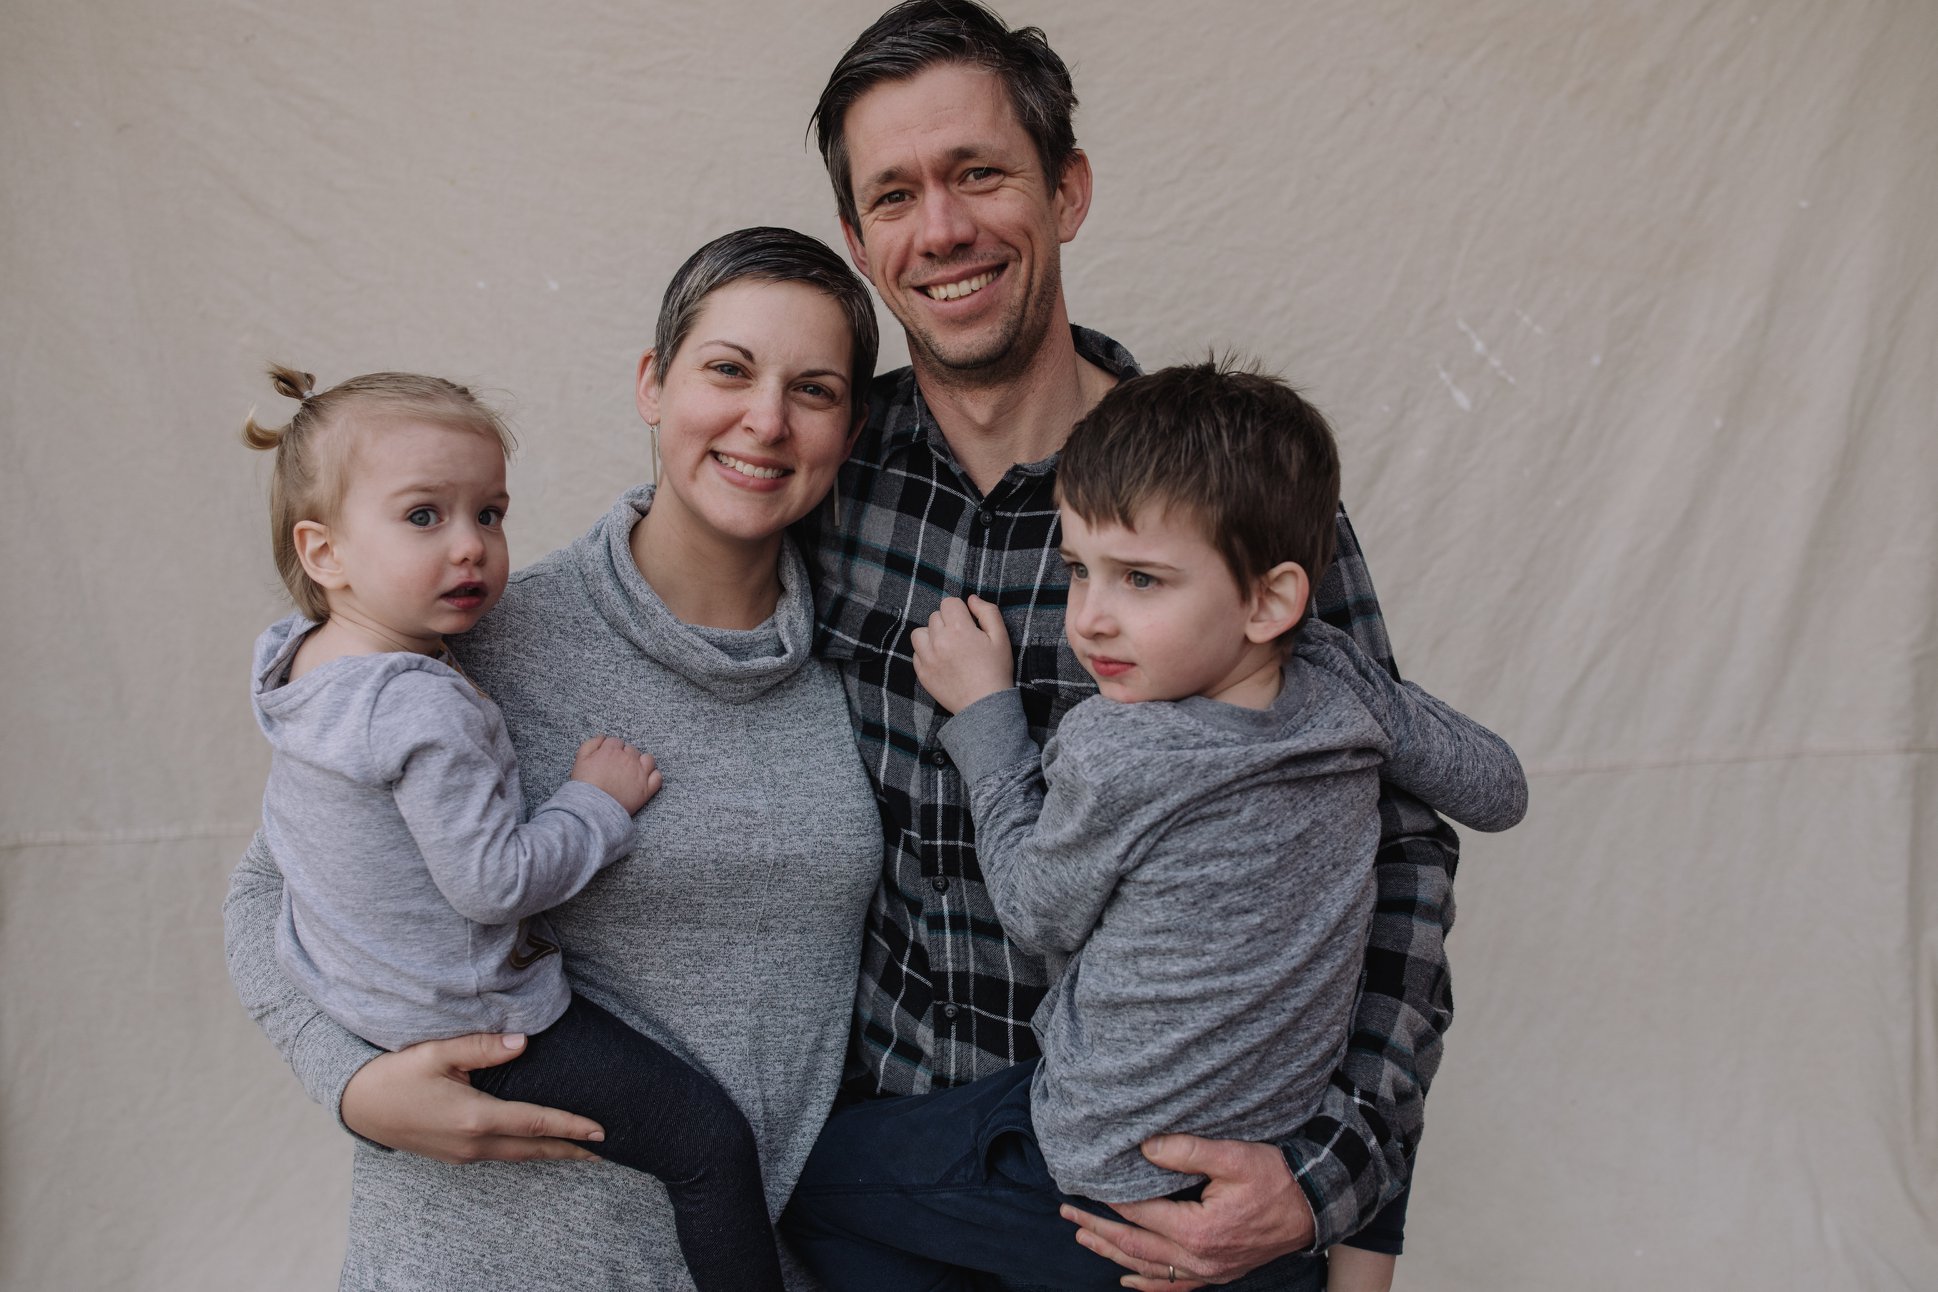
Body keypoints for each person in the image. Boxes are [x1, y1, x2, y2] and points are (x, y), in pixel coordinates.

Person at [802, 2, 1462, 1286]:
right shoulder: (822, 477)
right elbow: (633, 639)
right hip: (894, 1173)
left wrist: (1341, 1196)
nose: (940, 228)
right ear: (859, 240)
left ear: (1068, 189)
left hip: (1175, 1205)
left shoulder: (1218, 501)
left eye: (979, 173)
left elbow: (1398, 852)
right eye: (894, 194)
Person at [223, 227, 886, 1290]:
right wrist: (350, 1081)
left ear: (848, 429)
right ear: (652, 385)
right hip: (478, 1262)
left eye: (814, 389)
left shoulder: (859, 674)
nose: (766, 418)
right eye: (728, 369)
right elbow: (266, 889)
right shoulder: (462, 640)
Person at [783, 362, 1528, 1291]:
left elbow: (1032, 909)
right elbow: (1498, 789)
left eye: (1140, 579)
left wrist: (986, 717)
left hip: (1100, 1182)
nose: (1090, 619)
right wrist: (1371, 688)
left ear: (1270, 599)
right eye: (1078, 570)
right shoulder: (1342, 689)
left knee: (807, 1184)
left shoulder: (1119, 748)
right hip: (1265, 1159)